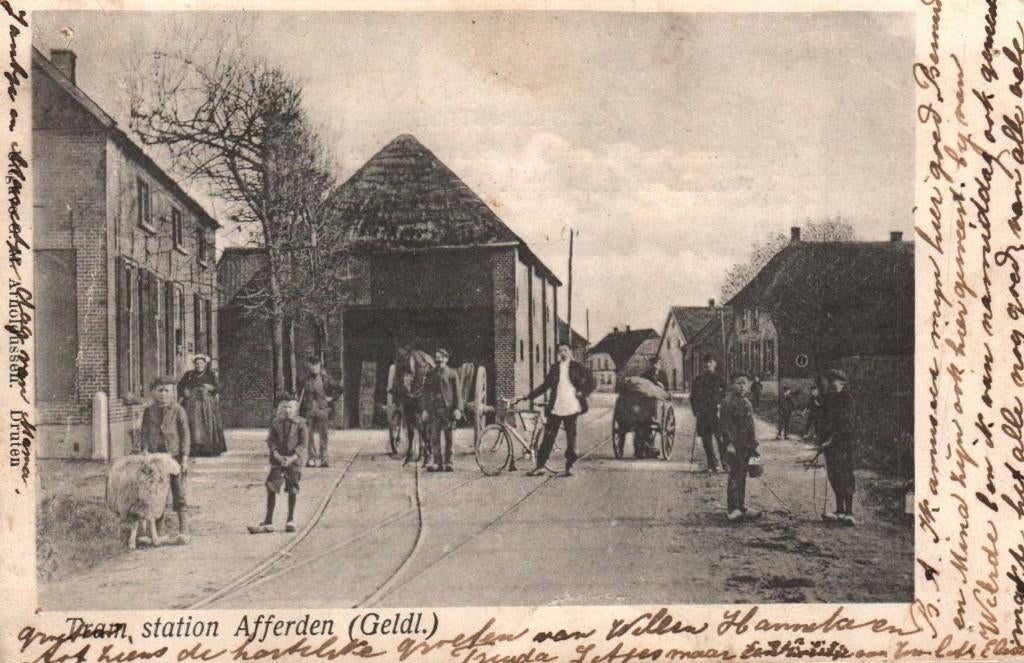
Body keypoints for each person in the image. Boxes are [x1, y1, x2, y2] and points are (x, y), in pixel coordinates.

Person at [515, 342, 595, 476]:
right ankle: (540, 466)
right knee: (548, 437)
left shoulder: (577, 366)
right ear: (558, 354)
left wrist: (583, 392)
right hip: (556, 407)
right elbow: (545, 385)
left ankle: (569, 466)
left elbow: (591, 381)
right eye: (560, 351)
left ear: (570, 352)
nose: (563, 353)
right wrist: (528, 396)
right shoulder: (554, 368)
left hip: (571, 406)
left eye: (565, 350)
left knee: (571, 439)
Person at [139, 375, 192, 544]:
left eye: (167, 390)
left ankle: (184, 530)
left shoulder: (178, 410)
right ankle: (158, 532)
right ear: (154, 392)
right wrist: (145, 451)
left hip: (173, 457)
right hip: (155, 459)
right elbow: (144, 433)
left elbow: (185, 436)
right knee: (156, 494)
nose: (163, 394)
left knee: (178, 492)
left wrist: (184, 458)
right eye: (160, 390)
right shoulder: (149, 411)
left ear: (172, 392)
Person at [249, 393, 308, 534]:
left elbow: (303, 443)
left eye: (290, 407)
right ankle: (269, 521)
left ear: (295, 408)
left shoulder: (301, 424)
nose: (287, 410)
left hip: (293, 462)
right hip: (278, 461)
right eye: (284, 407)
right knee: (272, 487)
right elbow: (271, 441)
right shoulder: (275, 423)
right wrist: (277, 455)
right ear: (280, 408)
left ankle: (290, 519)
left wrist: (292, 458)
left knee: (292, 488)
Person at [719, 371, 760, 522]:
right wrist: (728, 443)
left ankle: (741, 506)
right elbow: (724, 425)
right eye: (739, 383)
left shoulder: (747, 403)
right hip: (734, 445)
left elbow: (751, 425)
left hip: (746, 445)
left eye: (745, 383)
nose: (742, 386)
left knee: (743, 475)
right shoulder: (727, 402)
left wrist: (754, 443)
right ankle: (732, 509)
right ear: (732, 385)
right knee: (734, 475)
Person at [821, 369, 856, 525]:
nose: (831, 384)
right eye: (830, 381)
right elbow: (826, 422)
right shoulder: (831, 399)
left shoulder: (847, 399)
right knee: (834, 476)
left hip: (843, 444)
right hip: (831, 445)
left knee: (845, 476)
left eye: (833, 381)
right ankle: (839, 510)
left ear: (842, 382)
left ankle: (849, 512)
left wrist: (831, 440)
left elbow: (845, 425)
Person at [421, 348, 464, 472]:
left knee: (449, 438)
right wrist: (425, 410)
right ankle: (437, 463)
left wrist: (458, 409)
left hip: (448, 412)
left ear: (446, 359)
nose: (438, 359)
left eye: (441, 357)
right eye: (437, 357)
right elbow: (425, 393)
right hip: (434, 411)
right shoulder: (430, 374)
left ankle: (449, 462)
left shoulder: (452, 373)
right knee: (434, 438)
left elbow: (458, 394)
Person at [178, 354, 227, 457]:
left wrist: (211, 388)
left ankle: (207, 449)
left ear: (205, 364)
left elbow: (218, 387)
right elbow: (181, 386)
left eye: (201, 363)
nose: (199, 365)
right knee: (192, 425)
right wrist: (184, 392)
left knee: (206, 424)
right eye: (197, 363)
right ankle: (193, 448)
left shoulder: (210, 375)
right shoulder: (189, 374)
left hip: (206, 405)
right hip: (191, 405)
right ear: (194, 364)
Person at [299, 356, 341, 468]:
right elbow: (299, 394)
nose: (314, 368)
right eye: (312, 365)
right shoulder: (304, 379)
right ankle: (311, 458)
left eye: (316, 365)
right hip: (308, 410)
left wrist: (332, 398)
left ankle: (324, 458)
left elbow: (339, 388)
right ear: (309, 366)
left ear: (319, 366)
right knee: (308, 435)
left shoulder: (325, 379)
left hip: (323, 410)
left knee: (324, 435)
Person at [690, 354, 727, 472]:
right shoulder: (698, 379)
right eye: (706, 362)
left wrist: (722, 408)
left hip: (716, 413)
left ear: (715, 364)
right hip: (703, 414)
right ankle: (712, 464)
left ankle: (725, 463)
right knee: (706, 440)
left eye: (710, 362)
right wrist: (696, 410)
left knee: (720, 439)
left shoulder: (721, 379)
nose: (708, 364)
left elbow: (725, 396)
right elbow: (693, 396)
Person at [389, 369, 423, 465]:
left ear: (412, 378)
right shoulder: (400, 387)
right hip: (403, 408)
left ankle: (420, 449)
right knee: (410, 430)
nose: (408, 379)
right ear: (403, 377)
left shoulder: (415, 387)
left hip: (411, 410)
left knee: (417, 428)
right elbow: (393, 392)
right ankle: (410, 450)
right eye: (406, 376)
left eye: (410, 377)